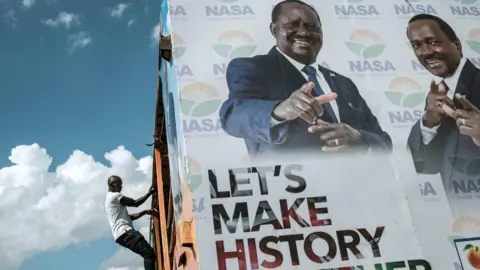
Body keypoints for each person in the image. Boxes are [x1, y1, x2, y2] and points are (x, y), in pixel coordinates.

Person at [219, 0, 391, 158]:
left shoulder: (343, 83)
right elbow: (233, 116)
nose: (303, 32)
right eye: (292, 25)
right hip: (293, 189)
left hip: (353, 187)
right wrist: (280, 110)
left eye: (312, 27)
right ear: (274, 29)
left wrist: (359, 139)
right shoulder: (253, 68)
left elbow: (383, 142)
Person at [406, 14, 480, 212]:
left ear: (457, 45)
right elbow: (425, 167)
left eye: (433, 42)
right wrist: (430, 121)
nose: (426, 52)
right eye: (417, 45)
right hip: (464, 222)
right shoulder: (437, 95)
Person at [105, 175, 158, 270]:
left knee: (147, 254)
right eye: (119, 184)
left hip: (121, 236)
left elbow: (128, 218)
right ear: (112, 184)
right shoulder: (115, 196)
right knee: (148, 254)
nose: (121, 187)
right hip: (126, 233)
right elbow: (135, 203)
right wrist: (149, 193)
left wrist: (145, 212)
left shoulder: (108, 200)